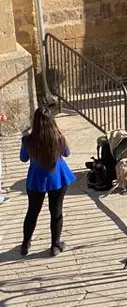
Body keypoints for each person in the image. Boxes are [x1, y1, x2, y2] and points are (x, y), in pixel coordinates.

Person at [20, 107, 75, 257]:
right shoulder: (58, 137)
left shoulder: (28, 140)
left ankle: (25, 244)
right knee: (56, 211)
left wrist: (24, 140)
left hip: (36, 180)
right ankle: (55, 246)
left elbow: (23, 158)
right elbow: (67, 153)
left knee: (32, 212)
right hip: (57, 178)